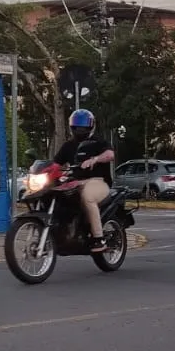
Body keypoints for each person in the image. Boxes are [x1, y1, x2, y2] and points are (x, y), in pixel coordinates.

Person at [53, 108, 114, 252]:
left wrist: (96, 159)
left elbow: (110, 154)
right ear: (71, 126)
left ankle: (99, 239)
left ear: (91, 125)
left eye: (84, 124)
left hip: (98, 181)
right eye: (77, 124)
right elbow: (55, 164)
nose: (80, 128)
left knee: (87, 196)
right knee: (53, 195)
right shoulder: (68, 146)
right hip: (74, 183)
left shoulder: (97, 141)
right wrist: (42, 171)